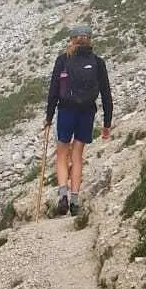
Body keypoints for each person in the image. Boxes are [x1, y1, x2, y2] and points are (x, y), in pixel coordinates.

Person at [44, 21, 112, 218]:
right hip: (87, 112)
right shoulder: (98, 63)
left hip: (66, 111)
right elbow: (106, 95)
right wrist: (107, 124)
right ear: (90, 41)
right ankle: (75, 200)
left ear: (71, 40)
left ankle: (63, 194)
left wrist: (49, 117)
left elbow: (53, 91)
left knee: (62, 153)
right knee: (78, 155)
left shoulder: (63, 60)